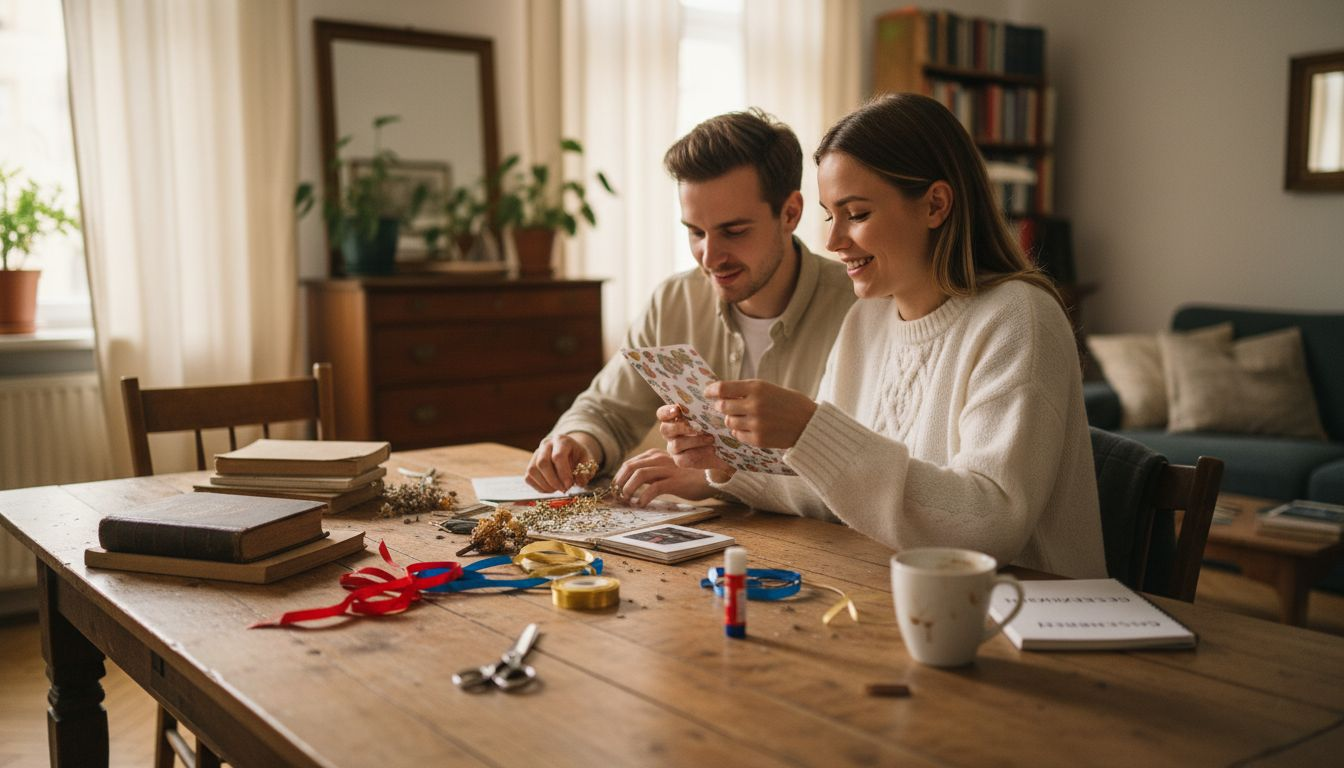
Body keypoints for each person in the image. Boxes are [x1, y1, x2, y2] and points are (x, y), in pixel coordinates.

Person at [658, 93, 1106, 578]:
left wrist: (810, 429)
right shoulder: (866, 321)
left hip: (1025, 607)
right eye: (830, 216)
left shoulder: (1019, 318)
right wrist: (726, 461)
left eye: (856, 214)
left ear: (935, 204)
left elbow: (990, 525)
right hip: (899, 595)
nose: (833, 241)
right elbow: (835, 492)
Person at [525, 110, 856, 504]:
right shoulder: (674, 301)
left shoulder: (860, 308)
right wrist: (578, 444)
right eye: (696, 232)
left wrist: (717, 477)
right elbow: (607, 410)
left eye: (734, 231)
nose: (710, 257)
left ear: (790, 213)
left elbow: (866, 476)